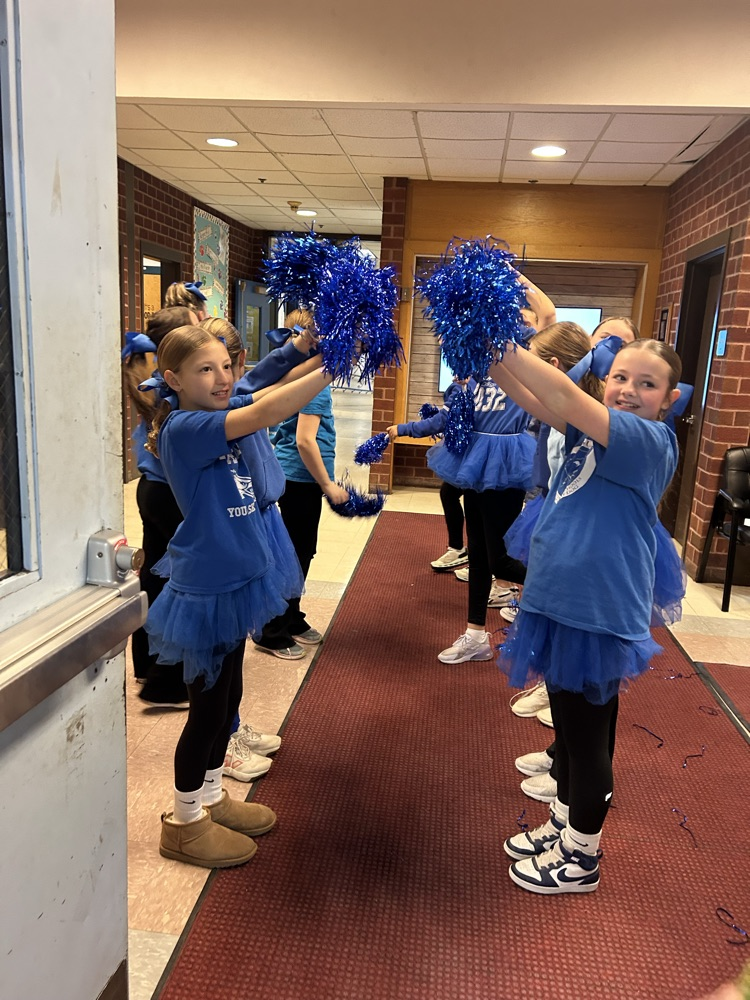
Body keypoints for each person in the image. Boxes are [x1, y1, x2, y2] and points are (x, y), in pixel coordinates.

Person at [491, 337, 681, 894]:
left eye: (647, 384)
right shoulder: (595, 429)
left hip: (595, 608)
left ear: (668, 399)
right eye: (620, 377)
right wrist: (487, 354)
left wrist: (504, 339)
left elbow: (563, 396)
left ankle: (581, 857)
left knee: (586, 736)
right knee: (569, 731)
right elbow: (536, 400)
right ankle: (564, 822)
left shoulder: (648, 440)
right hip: (562, 598)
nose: (629, 390)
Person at [144, 324, 336, 868]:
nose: (223, 377)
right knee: (205, 713)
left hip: (236, 579)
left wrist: (320, 353)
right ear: (173, 380)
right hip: (207, 588)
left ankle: (210, 797)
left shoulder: (218, 409)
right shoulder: (187, 427)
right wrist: (335, 365)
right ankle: (184, 823)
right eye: (205, 370)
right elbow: (269, 408)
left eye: (226, 366)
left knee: (228, 700)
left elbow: (271, 387)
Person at [253, 309, 349, 660]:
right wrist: (328, 485)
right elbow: (305, 441)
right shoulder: (314, 384)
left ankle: (291, 617)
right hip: (300, 478)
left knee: (301, 551)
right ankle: (272, 630)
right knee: (292, 555)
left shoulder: (297, 376)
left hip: (296, 477)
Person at [123, 306, 198, 700]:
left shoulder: (153, 382)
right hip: (170, 494)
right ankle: (166, 681)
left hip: (150, 489)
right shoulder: (175, 389)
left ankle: (146, 666)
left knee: (152, 577)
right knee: (177, 583)